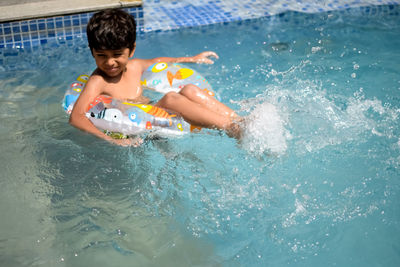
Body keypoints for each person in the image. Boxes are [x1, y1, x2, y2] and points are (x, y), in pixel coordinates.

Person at [69, 8, 242, 146]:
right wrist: (114, 140)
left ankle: (239, 121)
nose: (110, 62)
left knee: (190, 89)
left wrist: (191, 59)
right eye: (101, 55)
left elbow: (159, 61)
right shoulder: (98, 81)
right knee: (171, 99)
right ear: (92, 51)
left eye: (117, 54)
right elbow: (76, 117)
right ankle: (230, 128)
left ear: (131, 49)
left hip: (154, 114)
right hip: (141, 128)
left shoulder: (135, 66)